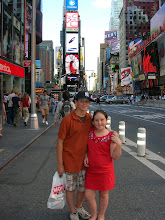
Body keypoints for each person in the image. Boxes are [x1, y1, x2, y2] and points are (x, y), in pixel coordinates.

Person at [57, 91, 93, 220]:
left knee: (83, 188)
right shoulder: (67, 120)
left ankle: (78, 207)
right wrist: (60, 164)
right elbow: (60, 142)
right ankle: (72, 211)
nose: (84, 104)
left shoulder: (90, 119)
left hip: (84, 161)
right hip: (70, 160)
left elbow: (98, 133)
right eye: (82, 101)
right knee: (71, 188)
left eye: (87, 101)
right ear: (75, 102)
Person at [84, 110, 122, 220]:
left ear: (106, 121)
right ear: (93, 122)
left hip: (105, 171)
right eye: (96, 120)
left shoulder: (111, 136)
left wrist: (118, 144)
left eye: (102, 120)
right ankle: (94, 214)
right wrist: (86, 155)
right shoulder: (90, 133)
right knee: (88, 195)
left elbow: (114, 156)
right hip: (91, 171)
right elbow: (86, 147)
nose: (99, 122)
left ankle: (101, 215)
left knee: (103, 194)